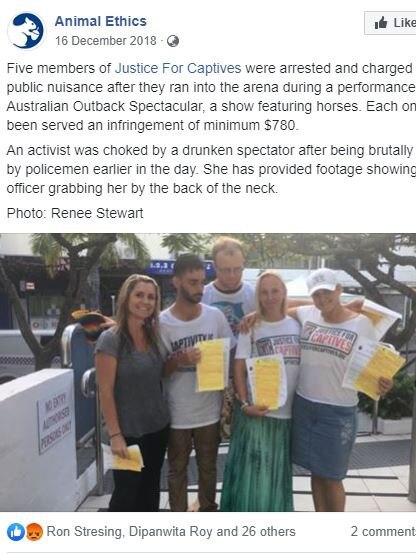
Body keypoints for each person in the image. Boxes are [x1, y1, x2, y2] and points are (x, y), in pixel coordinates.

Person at [290, 268, 392, 512]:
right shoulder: (308, 313)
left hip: (338, 411)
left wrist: (385, 382)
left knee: (333, 476)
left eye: (328, 292)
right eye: (317, 295)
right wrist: (313, 303)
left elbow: (376, 367)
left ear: (339, 289)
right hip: (305, 405)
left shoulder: (362, 323)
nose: (322, 299)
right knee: (316, 471)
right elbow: (277, 305)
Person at [160, 253, 235, 511]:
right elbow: (157, 371)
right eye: (192, 282)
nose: (199, 289)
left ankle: (207, 511)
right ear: (176, 282)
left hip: (209, 411)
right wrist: (178, 360)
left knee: (208, 468)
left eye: (202, 282)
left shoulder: (215, 317)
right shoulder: (162, 322)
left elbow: (230, 355)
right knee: (177, 470)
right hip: (176, 412)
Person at [220, 270, 301, 511]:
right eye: (264, 292)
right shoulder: (251, 325)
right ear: (258, 296)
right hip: (259, 413)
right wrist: (245, 405)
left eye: (275, 290)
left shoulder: (297, 323)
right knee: (253, 478)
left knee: (276, 478)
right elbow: (239, 368)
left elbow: (316, 307)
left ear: (284, 292)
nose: (270, 296)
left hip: (286, 416)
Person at [95, 274, 170, 512]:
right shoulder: (111, 339)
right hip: (128, 435)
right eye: (139, 295)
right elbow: (104, 390)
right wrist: (115, 434)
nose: (145, 301)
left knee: (150, 493)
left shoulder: (154, 336)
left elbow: (160, 374)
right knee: (125, 497)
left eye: (151, 297)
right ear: (126, 298)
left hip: (157, 429)